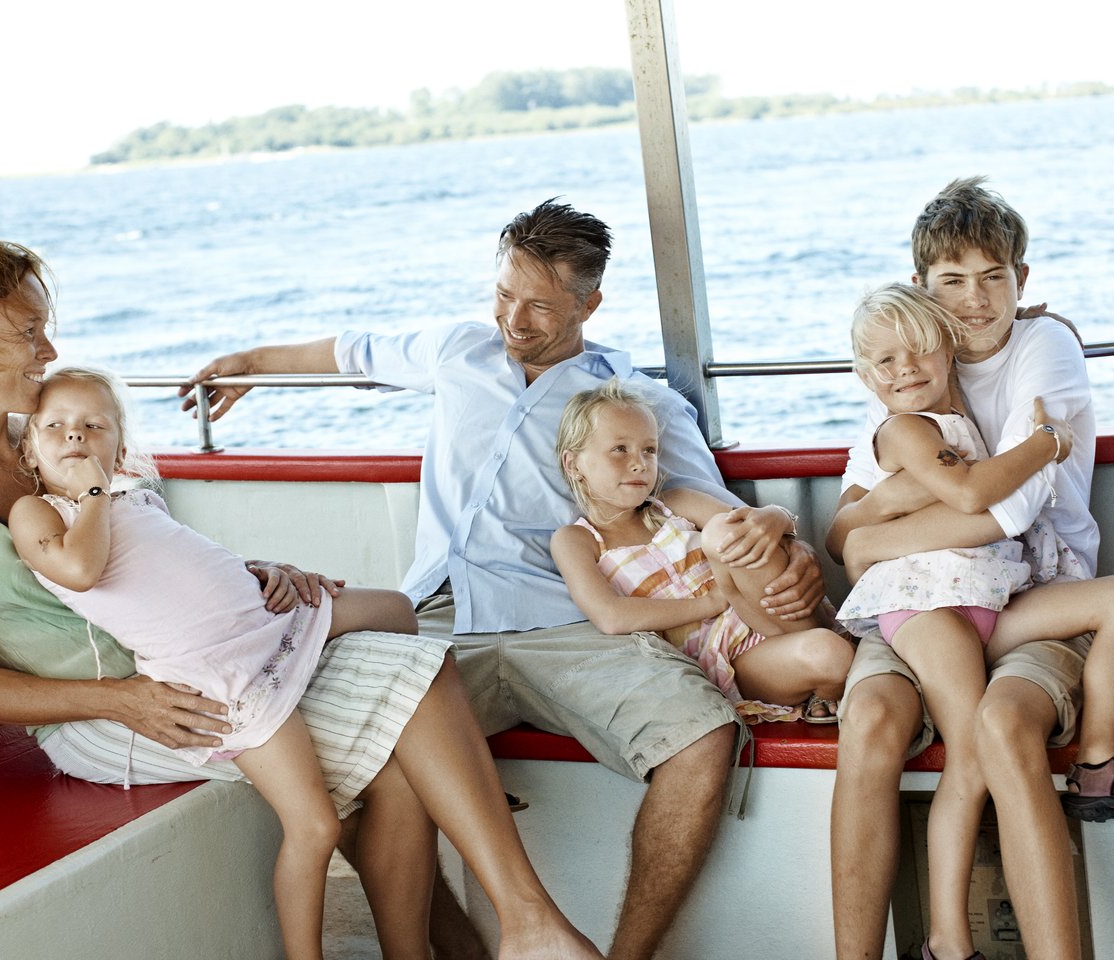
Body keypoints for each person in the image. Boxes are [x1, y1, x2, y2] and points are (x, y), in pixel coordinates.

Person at [0, 239, 601, 960]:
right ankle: (511, 929)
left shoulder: (48, 442)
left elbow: (147, 558)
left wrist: (254, 573)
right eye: (27, 330)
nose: (50, 347)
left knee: (406, 683)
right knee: (401, 712)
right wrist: (123, 700)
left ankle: (466, 941)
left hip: (195, 661)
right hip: (103, 711)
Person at [182, 198, 830, 960]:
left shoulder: (634, 401)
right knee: (348, 758)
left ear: (589, 303)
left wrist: (783, 526)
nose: (514, 320)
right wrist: (249, 364)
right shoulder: (458, 350)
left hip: (570, 623)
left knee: (704, 738)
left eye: (541, 306)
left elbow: (720, 512)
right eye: (504, 295)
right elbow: (351, 351)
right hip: (432, 619)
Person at [826, 177, 1114, 960]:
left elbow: (1009, 513)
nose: (974, 300)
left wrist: (875, 536)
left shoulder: (1043, 347)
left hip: (1032, 585)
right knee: (868, 723)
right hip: (925, 599)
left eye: (992, 277)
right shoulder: (908, 376)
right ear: (922, 288)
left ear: (1020, 281)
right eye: (951, 282)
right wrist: (871, 529)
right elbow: (844, 532)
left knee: (997, 728)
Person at [551, 377, 853, 723]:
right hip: (733, 660)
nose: (639, 463)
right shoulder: (577, 540)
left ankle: (830, 681)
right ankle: (830, 686)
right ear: (573, 463)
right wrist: (711, 603)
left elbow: (754, 529)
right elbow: (611, 616)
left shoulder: (675, 504)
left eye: (648, 450)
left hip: (771, 611)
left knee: (724, 532)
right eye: (620, 449)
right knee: (831, 654)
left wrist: (777, 515)